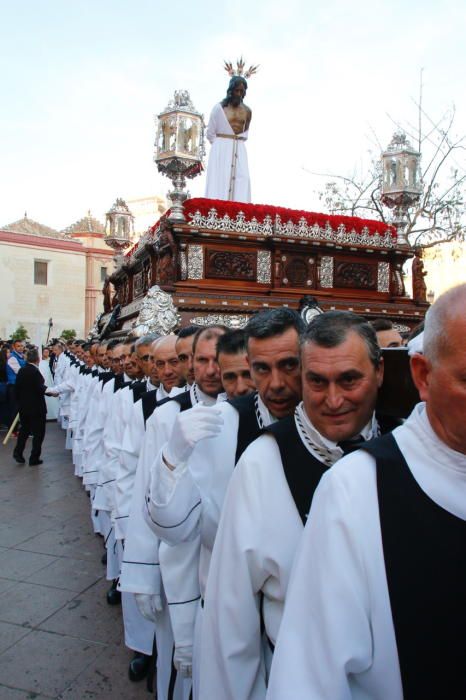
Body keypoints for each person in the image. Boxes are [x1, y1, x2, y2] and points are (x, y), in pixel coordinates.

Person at [266, 284, 466, 700]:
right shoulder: (357, 488)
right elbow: (310, 677)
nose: (334, 399)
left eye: (348, 380)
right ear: (423, 376)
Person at [200, 311, 388, 699]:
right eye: (317, 381)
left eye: (349, 379)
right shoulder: (262, 462)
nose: (334, 399)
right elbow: (230, 613)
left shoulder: (405, 447)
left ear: (379, 373)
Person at [205, 75, 252, 202]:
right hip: (221, 148)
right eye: (237, 90)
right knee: (220, 178)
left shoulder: (247, 111)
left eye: (242, 91)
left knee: (244, 178)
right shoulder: (219, 108)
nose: (239, 94)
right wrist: (220, 147)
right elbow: (210, 133)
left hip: (239, 148)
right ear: (231, 90)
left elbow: (245, 130)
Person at [13, 347, 57, 466]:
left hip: (24, 407)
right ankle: (34, 457)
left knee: (24, 431)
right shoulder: (35, 372)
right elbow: (40, 387)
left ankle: (18, 452)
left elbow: (16, 389)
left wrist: (19, 403)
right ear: (38, 359)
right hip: (37, 408)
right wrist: (52, 393)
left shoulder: (22, 371)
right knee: (39, 433)